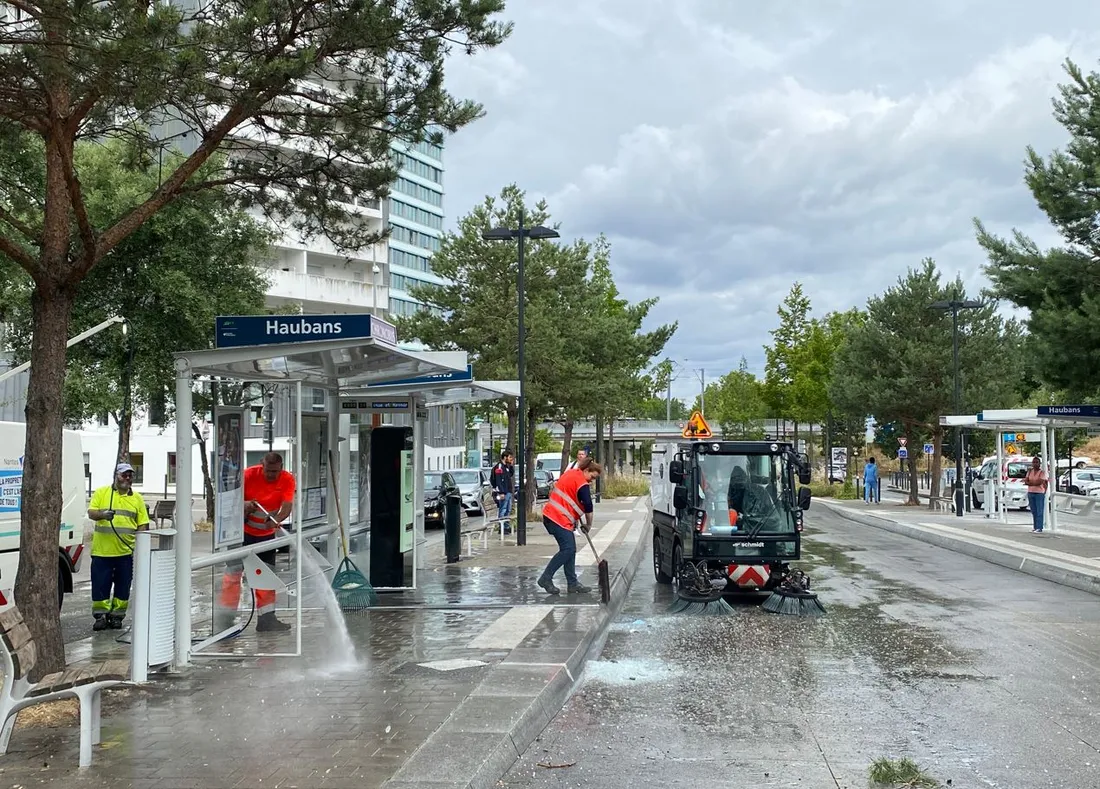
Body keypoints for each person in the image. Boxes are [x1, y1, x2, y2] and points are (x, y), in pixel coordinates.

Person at [216, 452, 295, 632]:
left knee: (266, 576)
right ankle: (225, 621)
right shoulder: (248, 475)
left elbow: (287, 506)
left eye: (275, 472)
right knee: (233, 575)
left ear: (281, 468)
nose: (271, 475)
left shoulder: (287, 480)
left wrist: (276, 521)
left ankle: (267, 619)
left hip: (266, 535)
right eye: (268, 471)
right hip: (242, 534)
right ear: (262, 465)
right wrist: (244, 505)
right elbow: (230, 499)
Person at [87, 463, 150, 631]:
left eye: (130, 475)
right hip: (102, 552)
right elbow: (91, 512)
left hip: (125, 552)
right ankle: (100, 616)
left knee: (123, 587)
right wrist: (102, 514)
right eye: (124, 475)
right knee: (100, 586)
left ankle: (117, 617)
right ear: (116, 475)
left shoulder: (137, 498)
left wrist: (141, 545)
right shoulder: (102, 493)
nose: (127, 478)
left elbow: (143, 524)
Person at [538, 457, 603, 596]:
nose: (591, 481)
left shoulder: (571, 473)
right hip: (557, 518)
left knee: (570, 550)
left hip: (554, 517)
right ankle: (546, 578)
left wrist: (577, 519)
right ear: (586, 470)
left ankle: (572, 584)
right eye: (592, 477)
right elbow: (588, 507)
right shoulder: (582, 484)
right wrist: (589, 525)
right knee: (568, 549)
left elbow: (569, 497)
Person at [1025, 455, 1049, 534]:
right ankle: (1035, 526)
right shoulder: (1029, 471)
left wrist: (1031, 483)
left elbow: (1040, 482)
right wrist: (1033, 483)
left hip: (1039, 493)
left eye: (1037, 462)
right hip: (1031, 492)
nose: (1035, 464)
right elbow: (1026, 481)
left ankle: (1039, 527)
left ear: (1039, 463)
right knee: (1033, 511)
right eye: (1034, 462)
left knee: (1039, 510)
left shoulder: (1042, 472)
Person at [490, 450, 515, 519]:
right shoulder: (499, 467)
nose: (511, 459)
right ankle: (502, 527)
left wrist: (511, 466)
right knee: (503, 509)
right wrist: (501, 492)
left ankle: (506, 527)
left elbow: (510, 474)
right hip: (504, 492)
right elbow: (499, 480)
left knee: (508, 510)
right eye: (510, 457)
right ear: (505, 457)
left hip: (508, 491)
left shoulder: (506, 467)